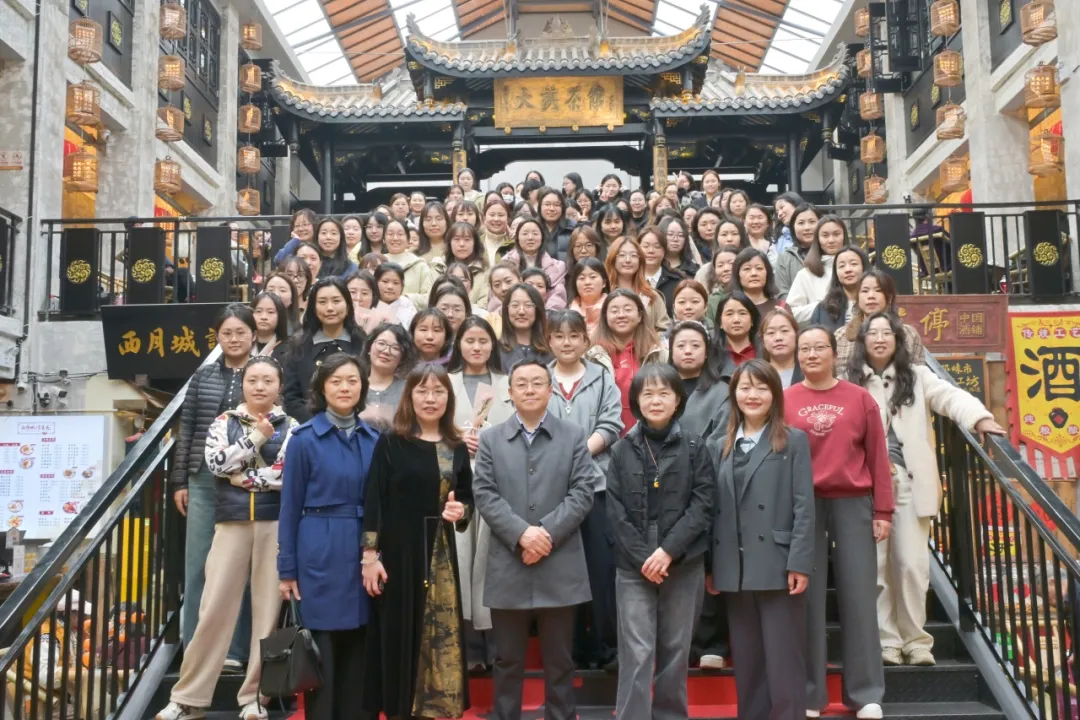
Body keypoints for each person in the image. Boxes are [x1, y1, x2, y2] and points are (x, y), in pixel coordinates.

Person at [847, 312, 1004, 667]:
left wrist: (978, 417)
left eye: (887, 333)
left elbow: (950, 397)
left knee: (911, 564)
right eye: (873, 333)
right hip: (865, 485)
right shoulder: (850, 383)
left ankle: (916, 640)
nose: (880, 338)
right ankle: (887, 641)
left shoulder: (917, 377)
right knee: (875, 567)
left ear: (897, 340)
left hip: (908, 481)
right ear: (862, 341)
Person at [156, 356, 297, 720]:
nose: (260, 386)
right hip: (231, 523)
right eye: (253, 380)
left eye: (268, 380)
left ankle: (255, 698)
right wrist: (256, 437)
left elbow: (286, 475)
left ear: (279, 386)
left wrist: (242, 476)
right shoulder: (224, 422)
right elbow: (217, 464)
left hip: (274, 525)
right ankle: (188, 698)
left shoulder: (292, 427)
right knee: (213, 608)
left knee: (267, 614)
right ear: (243, 384)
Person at [473, 359, 598, 720]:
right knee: (507, 659)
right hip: (508, 562)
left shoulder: (573, 436)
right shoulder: (491, 439)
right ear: (510, 393)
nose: (530, 390)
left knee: (560, 660)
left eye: (537, 383)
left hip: (559, 563)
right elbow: (485, 494)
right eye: (522, 384)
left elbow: (583, 492)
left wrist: (545, 534)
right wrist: (522, 534)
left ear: (550, 390)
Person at [785, 326, 894, 720]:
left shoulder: (859, 398)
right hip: (802, 505)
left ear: (834, 353)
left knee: (859, 597)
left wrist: (883, 511)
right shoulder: (785, 400)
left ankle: (866, 694)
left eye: (819, 347)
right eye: (805, 349)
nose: (812, 354)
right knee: (805, 599)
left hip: (852, 502)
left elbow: (878, 457)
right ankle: (810, 694)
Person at [362, 363, 473, 720]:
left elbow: (466, 500)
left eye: (438, 391)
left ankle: (437, 707)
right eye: (422, 390)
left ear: (448, 398)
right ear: (409, 396)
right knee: (400, 630)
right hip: (399, 552)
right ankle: (401, 709)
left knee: (441, 629)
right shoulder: (392, 441)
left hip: (440, 553)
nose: (430, 398)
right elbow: (374, 500)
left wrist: (461, 511)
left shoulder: (456, 445)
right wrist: (369, 555)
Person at [606, 363, 714, 720]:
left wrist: (667, 551)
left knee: (676, 650)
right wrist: (644, 558)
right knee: (636, 651)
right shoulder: (621, 449)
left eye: (663, 393)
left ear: (677, 399)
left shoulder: (696, 446)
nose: (655, 400)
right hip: (633, 560)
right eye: (647, 393)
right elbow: (614, 512)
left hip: (683, 557)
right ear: (636, 400)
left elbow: (703, 504)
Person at [710, 359, 814, 720]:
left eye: (761, 388)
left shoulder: (793, 440)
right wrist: (711, 566)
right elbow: (711, 510)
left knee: (784, 661)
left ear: (775, 395)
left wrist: (800, 562)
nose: (752, 395)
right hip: (734, 567)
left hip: (778, 563)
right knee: (747, 661)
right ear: (734, 394)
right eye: (745, 388)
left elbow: (804, 506)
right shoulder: (718, 445)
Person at [278, 353, 379, 720]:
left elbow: (381, 504)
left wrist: (375, 551)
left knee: (361, 644)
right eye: (336, 381)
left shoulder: (374, 439)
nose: (345, 388)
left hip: (364, 549)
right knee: (322, 648)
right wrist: (286, 569)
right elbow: (289, 508)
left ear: (363, 387)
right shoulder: (304, 440)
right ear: (321, 388)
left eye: (353, 380)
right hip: (318, 547)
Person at [171, 304, 257, 668]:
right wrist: (180, 480)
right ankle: (194, 646)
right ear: (217, 337)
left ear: (253, 334)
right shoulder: (203, 375)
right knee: (198, 563)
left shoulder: (264, 373)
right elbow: (187, 429)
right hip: (203, 477)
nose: (234, 339)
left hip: (246, 478)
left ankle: (235, 650)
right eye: (227, 333)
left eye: (240, 332)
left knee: (239, 565)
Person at [545, 310, 624, 670]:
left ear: (584, 340)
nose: (566, 342)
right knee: (561, 568)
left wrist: (575, 453)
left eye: (573, 335)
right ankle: (571, 649)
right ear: (549, 341)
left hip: (597, 486)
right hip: (552, 490)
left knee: (601, 567)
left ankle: (608, 646)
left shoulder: (602, 378)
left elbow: (611, 424)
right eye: (559, 336)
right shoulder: (540, 379)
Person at [447, 316, 515, 671]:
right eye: (470, 340)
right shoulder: (445, 382)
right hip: (456, 483)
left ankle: (496, 647)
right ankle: (469, 647)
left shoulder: (508, 382)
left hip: (499, 481)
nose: (476, 347)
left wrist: (488, 437)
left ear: (493, 344)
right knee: (461, 560)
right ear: (458, 344)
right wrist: (457, 437)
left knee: (491, 563)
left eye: (483, 341)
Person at [586, 289, 668, 436]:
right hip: (603, 435)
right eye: (614, 311)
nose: (621, 315)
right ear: (605, 317)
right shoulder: (592, 355)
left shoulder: (657, 353)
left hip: (649, 434)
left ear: (640, 315)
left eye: (628, 309)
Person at [283, 277, 365, 423]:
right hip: (310, 426)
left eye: (336, 301)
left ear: (348, 306)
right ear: (314, 308)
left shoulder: (363, 343)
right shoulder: (299, 346)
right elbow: (292, 398)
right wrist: (319, 424)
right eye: (322, 302)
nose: (330, 308)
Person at [836, 269, 926, 367]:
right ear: (857, 298)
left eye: (878, 290)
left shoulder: (909, 335)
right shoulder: (841, 336)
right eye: (865, 291)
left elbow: (918, 373)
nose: (871, 296)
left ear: (889, 297)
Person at [669, 320, 729, 443]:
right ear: (671, 352)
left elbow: (722, 440)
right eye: (681, 346)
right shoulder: (659, 389)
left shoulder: (722, 392)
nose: (688, 351)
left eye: (695, 345)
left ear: (706, 352)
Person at [786, 215, 850, 324]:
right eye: (825, 235)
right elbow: (791, 312)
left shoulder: (857, 268)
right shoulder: (805, 274)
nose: (831, 240)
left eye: (836, 234)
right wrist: (822, 307)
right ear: (818, 239)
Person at [606, 236, 671, 333]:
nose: (628, 260)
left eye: (633, 255)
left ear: (640, 261)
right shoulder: (604, 294)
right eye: (622, 255)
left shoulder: (652, 296)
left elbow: (664, 330)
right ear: (612, 259)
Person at [359, 322, 416, 429]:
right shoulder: (354, 386)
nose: (386, 351)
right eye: (381, 343)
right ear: (369, 347)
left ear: (403, 357)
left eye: (395, 348)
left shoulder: (409, 390)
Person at [503, 218, 568, 310]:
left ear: (542, 238)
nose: (530, 237)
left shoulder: (557, 267)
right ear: (517, 238)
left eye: (535, 233)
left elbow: (558, 295)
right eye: (525, 233)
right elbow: (498, 296)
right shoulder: (506, 264)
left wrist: (546, 314)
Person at [810, 246, 871, 333]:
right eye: (841, 266)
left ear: (864, 267)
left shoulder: (874, 302)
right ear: (836, 272)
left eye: (854, 264)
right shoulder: (823, 309)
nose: (848, 270)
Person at [498, 283, 554, 370]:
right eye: (515, 305)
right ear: (506, 309)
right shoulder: (494, 351)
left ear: (537, 310)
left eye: (528, 305)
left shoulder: (552, 350)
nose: (521, 312)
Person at [383, 218, 435, 308]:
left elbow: (429, 298)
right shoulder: (377, 262)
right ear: (383, 239)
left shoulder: (420, 265)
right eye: (390, 234)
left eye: (400, 234)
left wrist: (406, 299)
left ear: (408, 239)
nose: (395, 238)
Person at [775, 203, 819, 299]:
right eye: (801, 223)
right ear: (793, 227)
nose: (807, 228)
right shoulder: (784, 258)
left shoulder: (829, 253)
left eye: (812, 222)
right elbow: (781, 293)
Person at [712, 292, 761, 374]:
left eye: (742, 313)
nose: (736, 320)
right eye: (729, 314)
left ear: (752, 320)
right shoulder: (711, 354)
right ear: (720, 322)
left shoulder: (765, 351)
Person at [446, 221, 490, 309]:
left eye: (467, 240)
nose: (461, 244)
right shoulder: (439, 266)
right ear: (449, 243)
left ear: (475, 243)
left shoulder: (485, 271)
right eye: (457, 239)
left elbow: (484, 304)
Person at [731, 247, 785, 318]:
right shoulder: (729, 309)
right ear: (737, 274)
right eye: (747, 269)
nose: (754, 273)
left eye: (759, 268)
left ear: (767, 273)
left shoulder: (781, 306)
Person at [760, 307, 803, 388]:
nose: (778, 338)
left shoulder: (808, 372)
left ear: (796, 335)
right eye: (771, 332)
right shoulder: (757, 375)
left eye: (784, 331)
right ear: (762, 340)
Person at [568, 257, 609, 338]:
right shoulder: (567, 313)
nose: (587, 282)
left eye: (593, 277)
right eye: (581, 278)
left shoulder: (611, 310)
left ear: (604, 283)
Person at [374, 262, 418, 328]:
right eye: (385, 281)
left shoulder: (406, 305)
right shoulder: (369, 303)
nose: (390, 287)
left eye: (396, 283)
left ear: (402, 285)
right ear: (375, 282)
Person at [537, 187, 574, 260]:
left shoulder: (573, 228)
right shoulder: (532, 227)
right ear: (540, 206)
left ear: (563, 208)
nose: (551, 209)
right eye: (547, 204)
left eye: (556, 205)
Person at [705, 245, 739, 320]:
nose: (726, 269)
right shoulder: (712, 301)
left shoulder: (750, 292)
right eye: (720, 265)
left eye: (731, 263)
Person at [250, 291, 288, 358]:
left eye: (270, 312)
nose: (263, 317)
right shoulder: (242, 345)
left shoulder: (289, 350)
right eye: (258, 311)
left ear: (280, 316)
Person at [418, 201, 451, 275]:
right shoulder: (414, 252)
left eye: (439, 219)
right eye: (428, 219)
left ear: (447, 222)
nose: (434, 224)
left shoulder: (455, 250)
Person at [482, 198, 514, 265]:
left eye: (501, 215)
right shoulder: (476, 243)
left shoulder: (514, 244)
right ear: (484, 218)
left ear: (508, 219)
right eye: (492, 215)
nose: (496, 219)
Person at [772, 192, 804, 256]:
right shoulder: (778, 240)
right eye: (777, 212)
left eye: (782, 207)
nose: (779, 214)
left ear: (795, 204)